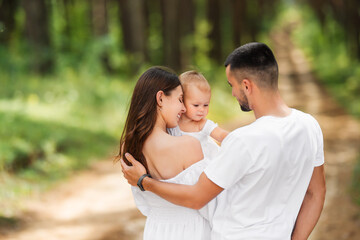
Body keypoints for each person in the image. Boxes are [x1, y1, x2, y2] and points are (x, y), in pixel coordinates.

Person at [121, 42, 326, 240]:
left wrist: (144, 181)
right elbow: (316, 192)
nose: (233, 93)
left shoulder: (244, 141)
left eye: (232, 85)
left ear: (246, 85)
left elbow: (198, 197)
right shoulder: (309, 126)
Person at [116, 66, 213, 240]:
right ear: (160, 98)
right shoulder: (188, 145)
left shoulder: (129, 147)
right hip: (193, 230)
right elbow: (209, 205)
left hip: (156, 230)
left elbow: (143, 205)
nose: (183, 109)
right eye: (180, 99)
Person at [173, 70, 229, 158]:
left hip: (206, 164)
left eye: (206, 105)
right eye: (196, 105)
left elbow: (222, 135)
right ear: (182, 101)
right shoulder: (173, 123)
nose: (202, 109)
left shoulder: (202, 124)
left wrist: (235, 138)